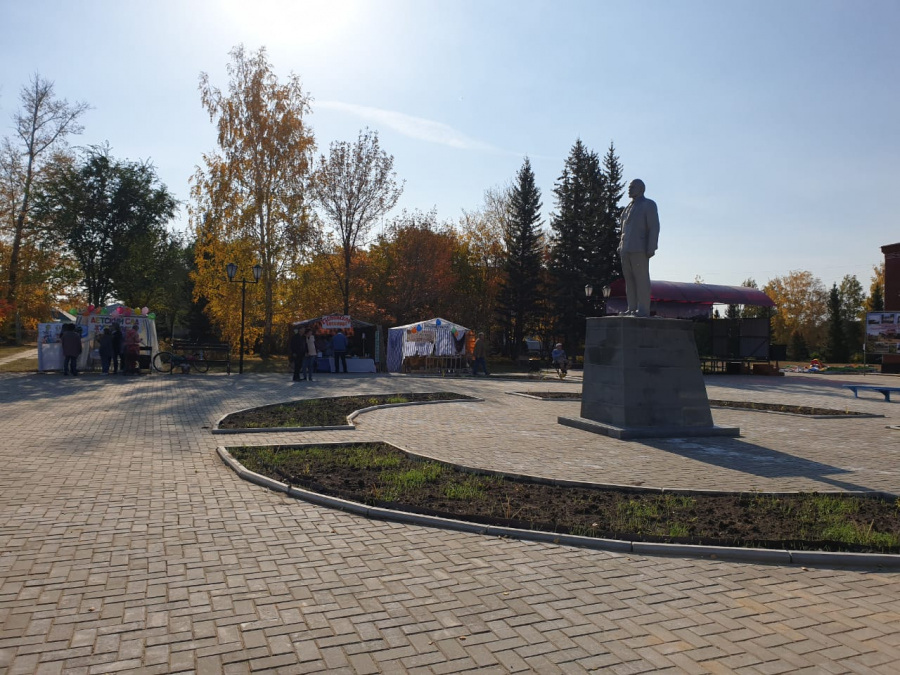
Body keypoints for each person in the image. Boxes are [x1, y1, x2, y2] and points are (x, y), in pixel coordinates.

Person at [618, 178, 660, 317]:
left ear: (641, 189)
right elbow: (623, 230)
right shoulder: (627, 208)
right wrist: (620, 246)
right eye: (629, 187)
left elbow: (654, 227)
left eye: (633, 187)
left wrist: (651, 247)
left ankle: (643, 309)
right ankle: (632, 308)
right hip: (626, 249)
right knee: (629, 279)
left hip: (639, 248)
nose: (629, 189)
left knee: (641, 279)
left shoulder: (648, 205)